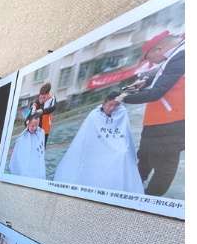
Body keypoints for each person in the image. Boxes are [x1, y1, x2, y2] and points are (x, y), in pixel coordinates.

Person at [118, 31, 185, 196]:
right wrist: (145, 80)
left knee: (164, 170)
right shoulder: (175, 55)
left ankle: (147, 204)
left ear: (158, 49)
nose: (149, 63)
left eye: (148, 59)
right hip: (159, 125)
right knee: (144, 162)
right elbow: (164, 71)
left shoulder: (182, 55)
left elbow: (157, 92)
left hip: (170, 126)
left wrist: (123, 98)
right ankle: (133, 195)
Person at [54, 92, 143, 193]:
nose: (113, 108)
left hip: (117, 145)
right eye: (110, 105)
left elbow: (125, 134)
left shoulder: (122, 113)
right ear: (104, 103)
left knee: (122, 154)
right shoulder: (94, 115)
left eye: (116, 105)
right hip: (97, 148)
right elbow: (86, 138)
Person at [8, 112, 46, 179]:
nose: (34, 128)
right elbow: (17, 155)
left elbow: (41, 151)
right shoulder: (22, 138)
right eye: (32, 126)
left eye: (36, 125)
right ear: (28, 123)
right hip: (26, 169)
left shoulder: (40, 133)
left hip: (37, 166)